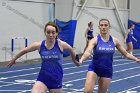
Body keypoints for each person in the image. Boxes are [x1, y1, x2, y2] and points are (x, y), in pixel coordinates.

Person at [7, 22, 80, 93]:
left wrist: (75, 60)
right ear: (45, 33)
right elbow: (25, 50)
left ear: (56, 33)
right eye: (48, 32)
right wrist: (14, 59)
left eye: (53, 32)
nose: (51, 35)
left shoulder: (61, 44)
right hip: (43, 78)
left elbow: (72, 50)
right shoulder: (39, 45)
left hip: (56, 79)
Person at [79, 18, 140, 93]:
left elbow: (126, 54)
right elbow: (88, 52)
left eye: (105, 25)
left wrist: (136, 59)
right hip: (94, 68)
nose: (103, 27)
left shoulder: (114, 40)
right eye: (101, 25)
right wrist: (81, 59)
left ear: (109, 27)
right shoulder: (95, 40)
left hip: (107, 70)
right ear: (99, 27)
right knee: (87, 91)